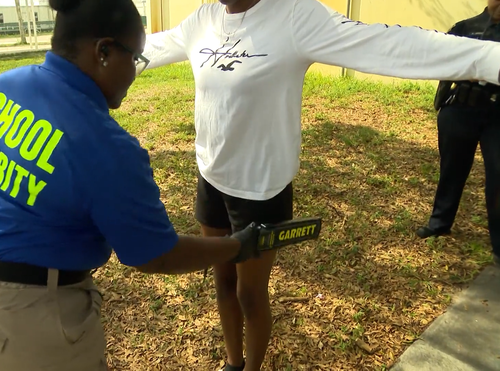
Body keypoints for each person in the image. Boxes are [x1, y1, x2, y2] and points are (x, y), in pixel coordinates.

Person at [0, 0, 265, 370]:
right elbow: (156, 255)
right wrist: (233, 247)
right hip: (8, 317)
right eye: (135, 59)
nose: (135, 72)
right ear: (104, 52)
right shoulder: (106, 145)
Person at [141, 0, 500, 369]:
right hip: (211, 176)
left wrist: (489, 59)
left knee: (249, 293)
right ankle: (233, 363)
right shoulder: (204, 18)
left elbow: (383, 44)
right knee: (221, 282)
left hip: (261, 190)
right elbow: (148, 48)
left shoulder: (294, 15)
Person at [418, 0, 500, 266]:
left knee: (498, 176)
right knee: (452, 169)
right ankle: (440, 223)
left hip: (497, 115)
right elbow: (444, 63)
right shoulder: (465, 28)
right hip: (461, 109)